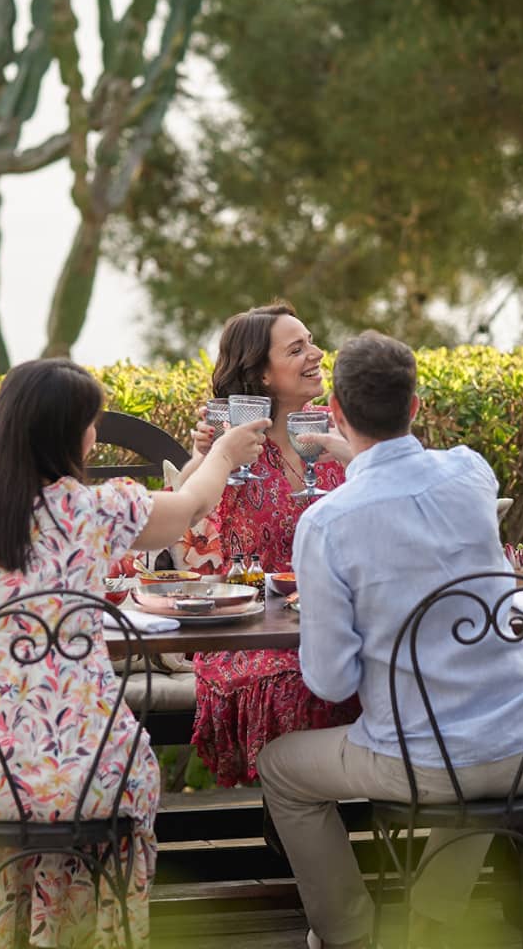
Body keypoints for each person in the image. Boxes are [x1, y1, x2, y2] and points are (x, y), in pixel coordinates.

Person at [0, 358, 268, 949]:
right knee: (113, 800)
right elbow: (189, 509)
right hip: (94, 774)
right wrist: (222, 454)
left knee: (3, 830)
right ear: (77, 434)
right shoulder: (100, 510)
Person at [257, 332, 523, 949]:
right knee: (459, 755)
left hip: (431, 765)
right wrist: (357, 451)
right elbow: (407, 476)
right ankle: (433, 926)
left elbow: (333, 682)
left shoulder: (327, 521)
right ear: (416, 406)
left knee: (280, 768)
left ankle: (351, 935)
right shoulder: (471, 473)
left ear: (335, 411)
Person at [178, 301, 360, 786]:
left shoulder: (336, 428)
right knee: (294, 684)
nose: (316, 355)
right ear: (260, 376)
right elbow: (188, 534)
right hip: (251, 629)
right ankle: (296, 821)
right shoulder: (230, 446)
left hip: (335, 619)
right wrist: (206, 456)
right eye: (296, 349)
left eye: (312, 342)